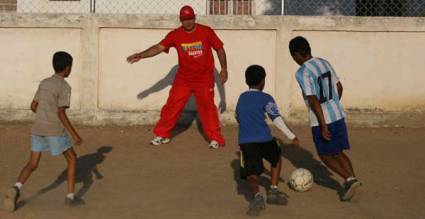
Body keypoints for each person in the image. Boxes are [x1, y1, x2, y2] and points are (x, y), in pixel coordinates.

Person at [127, 5, 228, 149]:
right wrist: (141, 55)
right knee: (172, 106)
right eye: (184, 19)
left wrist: (224, 69)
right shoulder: (175, 35)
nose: (187, 22)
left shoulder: (206, 32)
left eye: (190, 18)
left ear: (195, 17)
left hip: (204, 79)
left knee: (207, 108)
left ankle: (215, 138)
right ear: (180, 20)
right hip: (183, 79)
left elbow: (219, 48)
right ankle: (163, 135)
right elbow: (158, 47)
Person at [3, 51, 84, 212]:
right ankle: (70, 197)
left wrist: (43, 115)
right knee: (72, 158)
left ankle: (16, 188)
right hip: (54, 130)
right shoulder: (64, 86)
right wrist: (74, 134)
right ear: (67, 68)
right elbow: (61, 113)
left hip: (38, 128)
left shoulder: (44, 83)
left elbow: (33, 106)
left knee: (32, 164)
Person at [288, 36, 362, 201]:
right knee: (338, 151)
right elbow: (339, 86)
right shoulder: (324, 62)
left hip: (322, 119)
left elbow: (313, 99)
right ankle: (353, 181)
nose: (294, 60)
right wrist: (333, 105)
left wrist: (323, 124)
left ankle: (350, 180)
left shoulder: (302, 72)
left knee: (324, 155)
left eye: (293, 57)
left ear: (297, 55)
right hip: (337, 114)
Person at [236, 65, 299, 216]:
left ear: (246, 81)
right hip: (265, 138)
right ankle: (273, 191)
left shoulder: (242, 97)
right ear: (263, 81)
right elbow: (276, 119)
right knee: (276, 157)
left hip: (246, 141)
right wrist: (291, 136)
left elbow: (237, 116)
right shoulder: (266, 98)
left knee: (251, 173)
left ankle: (257, 197)